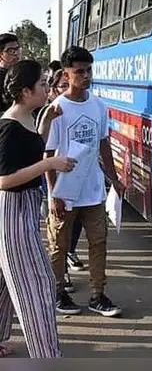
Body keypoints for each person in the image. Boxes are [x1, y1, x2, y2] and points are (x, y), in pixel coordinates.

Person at [39, 46, 124, 317]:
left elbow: (103, 146)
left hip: (94, 192)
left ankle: (98, 295)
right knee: (59, 244)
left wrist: (114, 179)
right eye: (79, 71)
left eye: (88, 70)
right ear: (66, 73)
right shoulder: (57, 110)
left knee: (99, 243)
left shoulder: (99, 106)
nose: (86, 76)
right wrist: (54, 194)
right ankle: (58, 291)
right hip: (65, 192)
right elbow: (49, 155)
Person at [0, 59, 77, 357]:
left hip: (24, 210)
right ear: (25, 91)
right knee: (38, 285)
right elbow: (4, 179)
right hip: (13, 213)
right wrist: (50, 163)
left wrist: (45, 125)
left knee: (7, 282)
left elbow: (31, 148)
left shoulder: (28, 118)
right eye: (43, 84)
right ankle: (47, 355)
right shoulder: (8, 128)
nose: (48, 88)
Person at [35, 69, 84, 295]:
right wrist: (53, 191)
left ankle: (69, 256)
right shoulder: (50, 113)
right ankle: (60, 276)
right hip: (53, 176)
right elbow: (42, 150)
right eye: (61, 87)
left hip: (77, 177)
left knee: (75, 224)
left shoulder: (85, 108)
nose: (67, 90)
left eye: (68, 85)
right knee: (58, 226)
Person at [0, 34, 21, 112]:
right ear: (1, 54)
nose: (16, 53)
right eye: (11, 51)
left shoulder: (22, 73)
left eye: (18, 49)